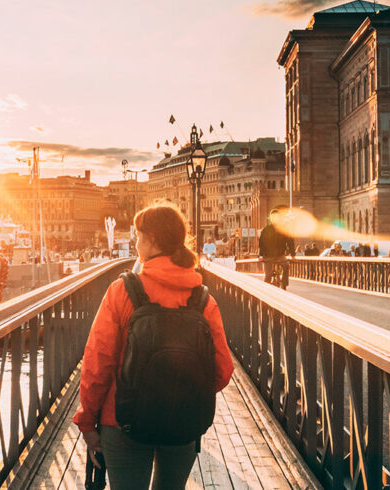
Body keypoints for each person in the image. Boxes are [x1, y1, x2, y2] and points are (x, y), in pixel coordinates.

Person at [74, 204, 234, 490]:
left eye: (138, 236)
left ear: (152, 241)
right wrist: (181, 391)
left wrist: (87, 421)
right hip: (183, 422)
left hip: (122, 420)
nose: (136, 243)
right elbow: (222, 370)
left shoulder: (123, 292)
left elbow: (98, 363)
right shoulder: (202, 300)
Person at [258, 209, 295, 288]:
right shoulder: (266, 230)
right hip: (268, 255)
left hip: (280, 255)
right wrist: (261, 255)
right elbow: (261, 243)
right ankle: (266, 290)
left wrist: (293, 254)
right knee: (268, 275)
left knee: (286, 266)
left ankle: (284, 283)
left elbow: (290, 241)